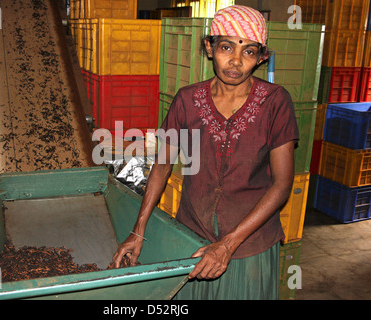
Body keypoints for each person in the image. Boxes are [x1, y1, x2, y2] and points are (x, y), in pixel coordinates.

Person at [111, 5, 299, 300]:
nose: (235, 62)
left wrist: (227, 244)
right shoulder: (187, 100)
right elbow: (162, 166)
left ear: (261, 57)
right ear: (209, 48)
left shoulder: (275, 102)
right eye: (226, 47)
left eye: (248, 52)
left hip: (249, 246)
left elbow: (282, 184)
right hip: (193, 238)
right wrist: (138, 231)